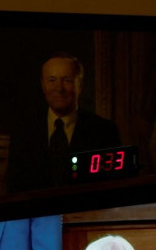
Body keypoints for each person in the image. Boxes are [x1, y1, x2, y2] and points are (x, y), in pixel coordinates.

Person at [7, 52, 121, 192]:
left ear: (80, 85)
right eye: (52, 80)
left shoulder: (105, 131)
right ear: (43, 85)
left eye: (67, 80)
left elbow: (112, 189)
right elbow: (14, 188)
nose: (59, 89)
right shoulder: (23, 131)